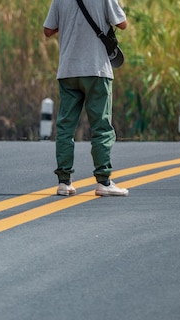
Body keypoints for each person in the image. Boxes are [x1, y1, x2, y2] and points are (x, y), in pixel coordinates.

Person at [43, 0, 129, 197]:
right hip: (97, 70)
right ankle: (104, 181)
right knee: (101, 127)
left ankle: (64, 182)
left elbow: (48, 30)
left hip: (68, 70)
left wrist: (71, 24)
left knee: (65, 127)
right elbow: (122, 23)